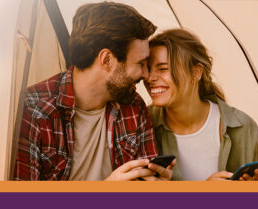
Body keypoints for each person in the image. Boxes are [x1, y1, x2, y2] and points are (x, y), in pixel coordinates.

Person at [14, 2, 173, 181]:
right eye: (140, 64)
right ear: (107, 60)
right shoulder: (34, 111)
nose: (146, 74)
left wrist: (159, 186)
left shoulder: (134, 106)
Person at [145, 29, 258, 181]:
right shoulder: (143, 126)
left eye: (163, 69)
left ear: (197, 72)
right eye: (147, 69)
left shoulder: (242, 126)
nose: (150, 78)